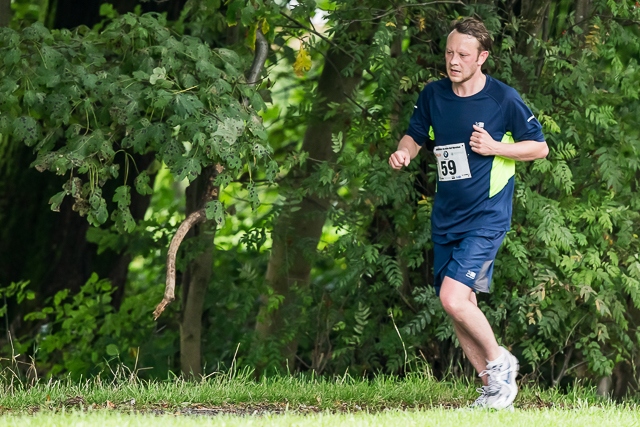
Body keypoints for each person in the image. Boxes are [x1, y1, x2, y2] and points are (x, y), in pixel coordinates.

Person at [388, 17, 548, 409]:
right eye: (449, 52)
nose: (453, 60)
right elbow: (416, 133)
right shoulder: (433, 95)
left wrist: (495, 147)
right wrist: (405, 152)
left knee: (452, 299)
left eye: (463, 54)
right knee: (462, 307)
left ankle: (500, 364)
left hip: (487, 214)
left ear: (482, 58)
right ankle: (494, 391)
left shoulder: (503, 99)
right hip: (447, 215)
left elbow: (539, 148)